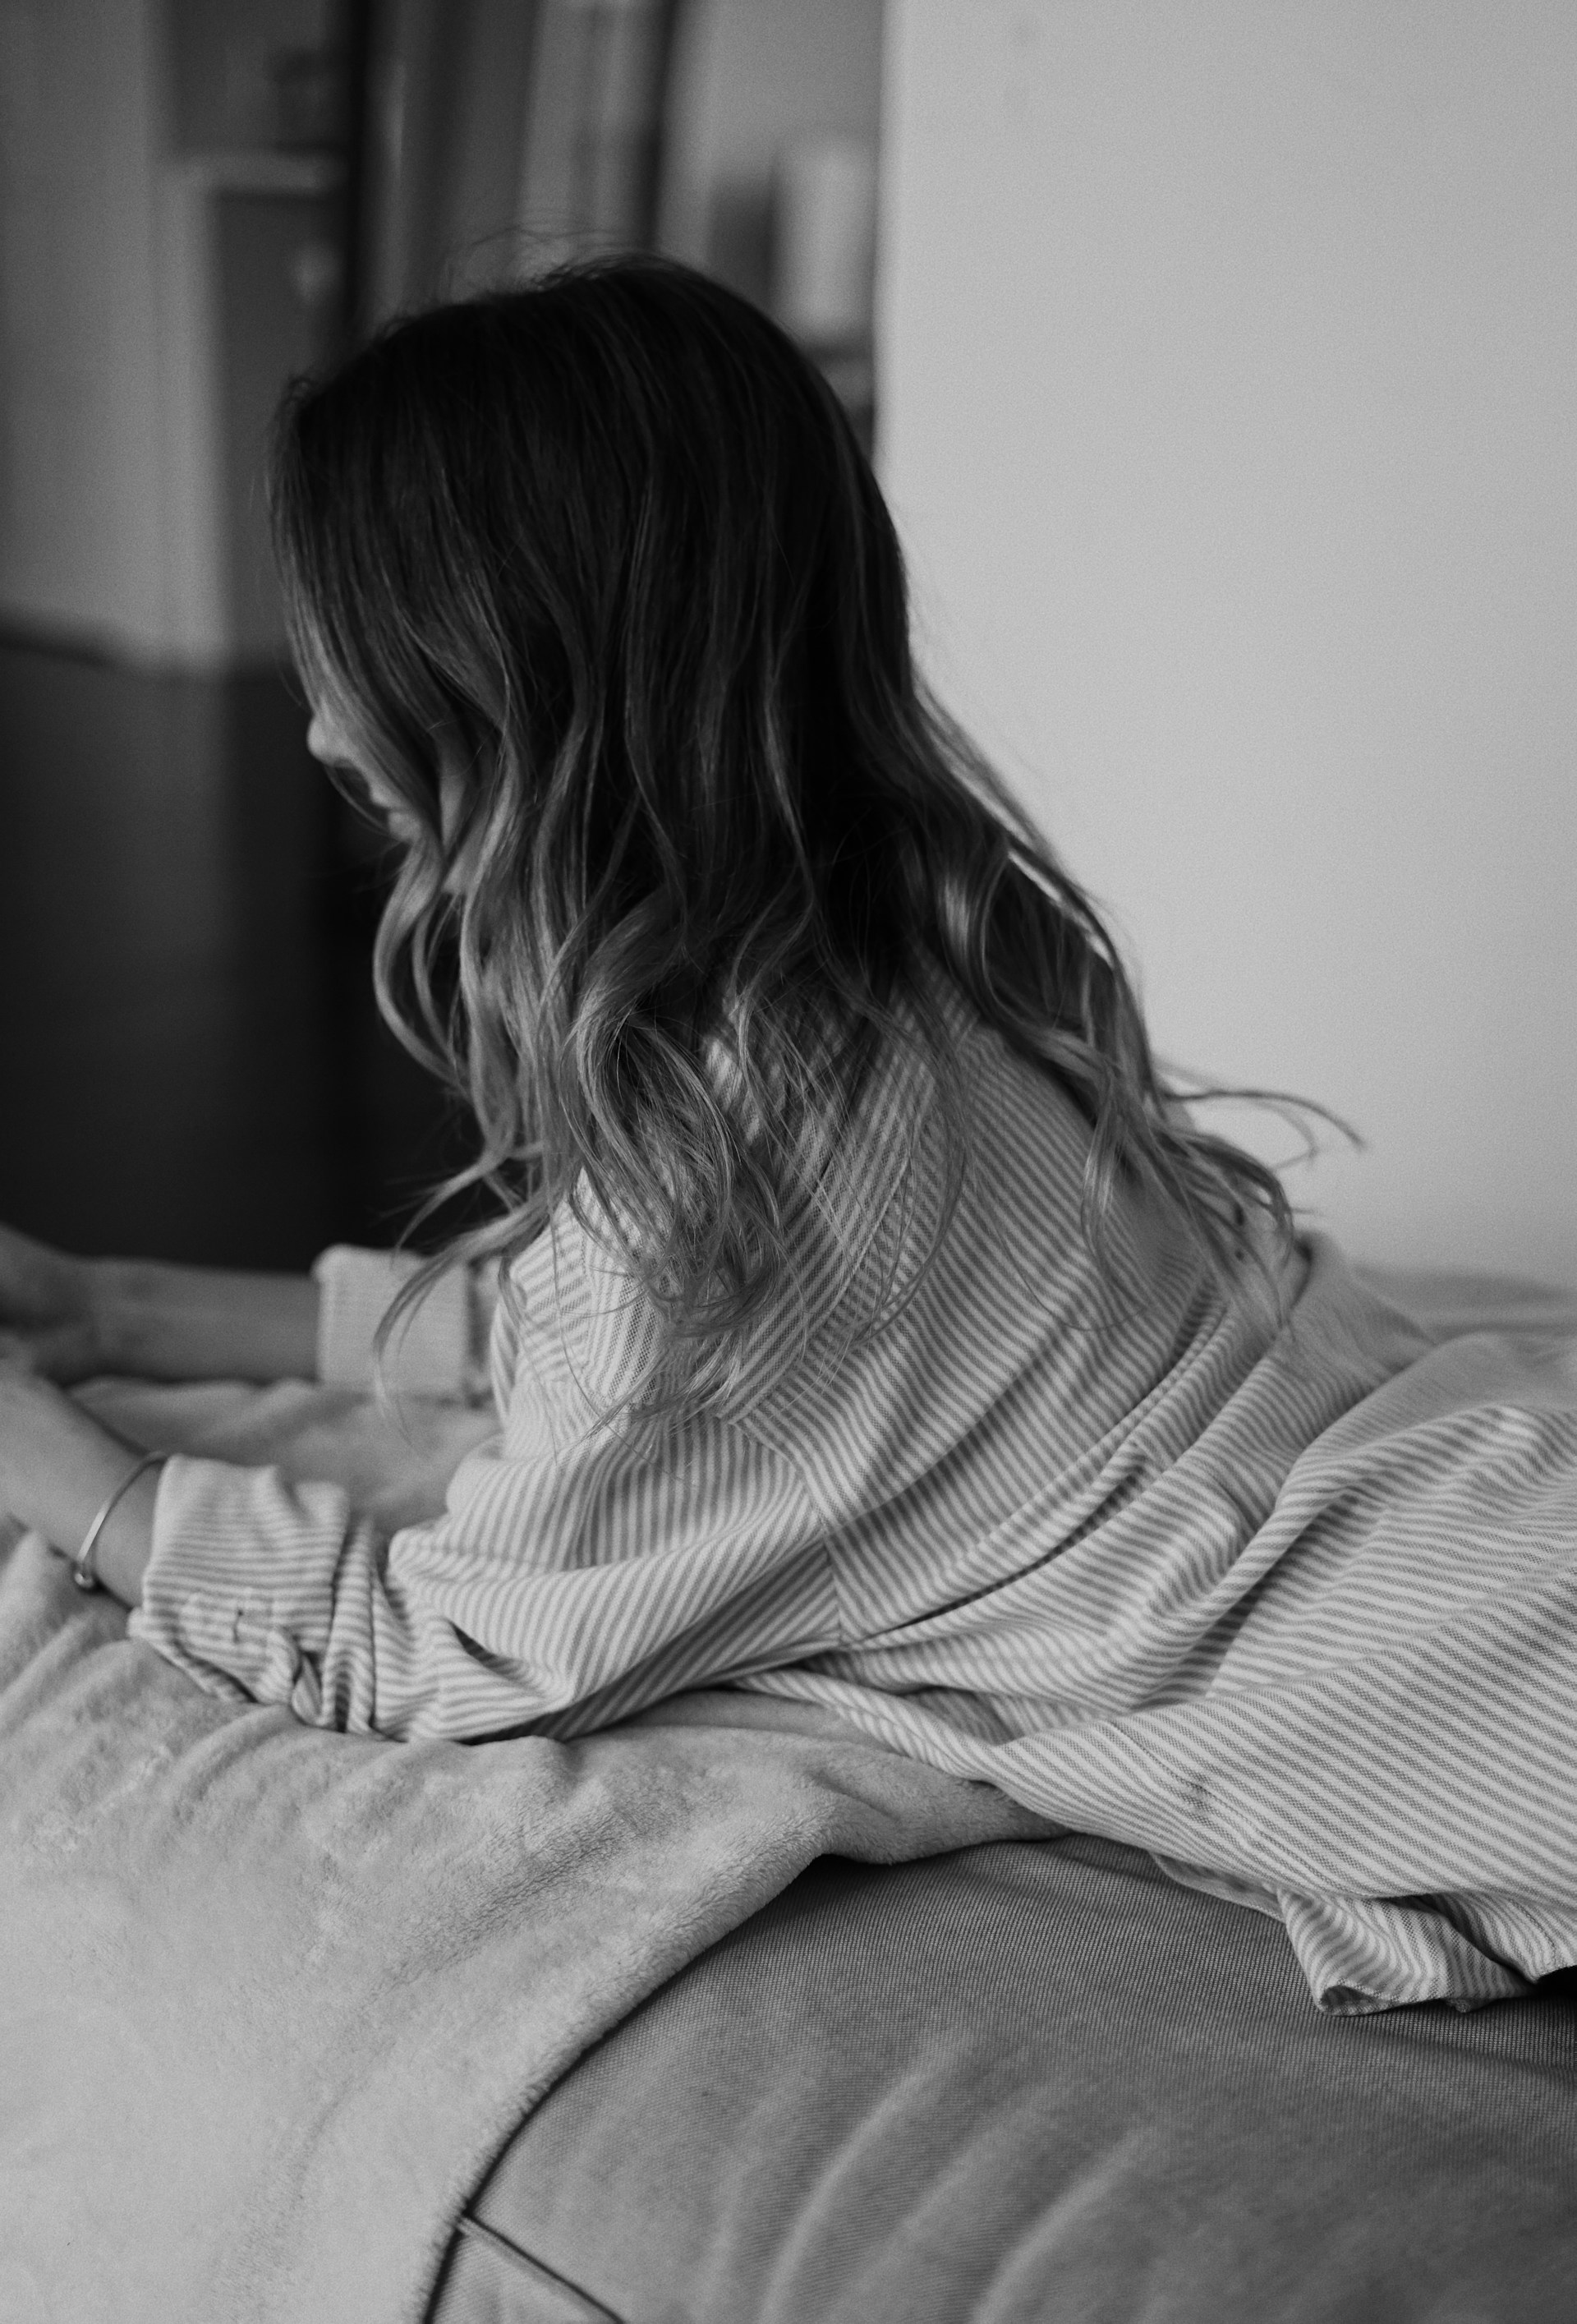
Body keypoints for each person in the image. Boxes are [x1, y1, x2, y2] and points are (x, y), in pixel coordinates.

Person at [2, 259, 1574, 2009]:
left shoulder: (730, 1168)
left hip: (1470, 1651)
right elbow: (612, 1355)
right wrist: (108, 1310)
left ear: (520, 669)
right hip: (1456, 1488)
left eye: (347, 654)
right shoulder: (886, 968)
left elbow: (434, 1647)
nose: (309, 721)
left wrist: (56, 1459)